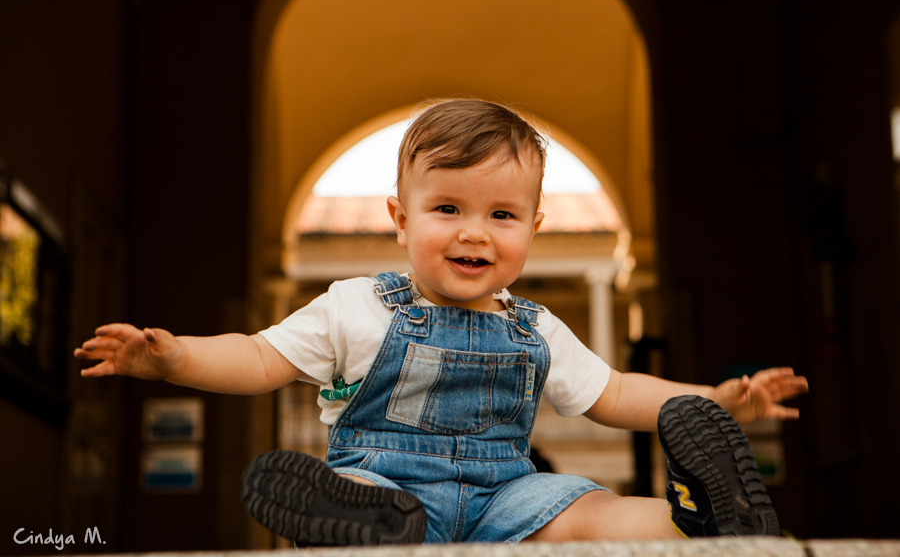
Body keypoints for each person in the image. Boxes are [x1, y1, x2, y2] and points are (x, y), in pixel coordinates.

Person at [75, 98, 808, 546]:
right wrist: (173, 360)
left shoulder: (536, 327)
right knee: (387, 513)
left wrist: (710, 401)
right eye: (448, 209)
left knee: (589, 510)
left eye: (502, 215)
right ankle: (352, 532)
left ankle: (699, 516)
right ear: (401, 218)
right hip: (389, 489)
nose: (475, 233)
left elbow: (614, 393)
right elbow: (259, 358)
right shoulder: (358, 306)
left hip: (506, 494)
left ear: (534, 226)